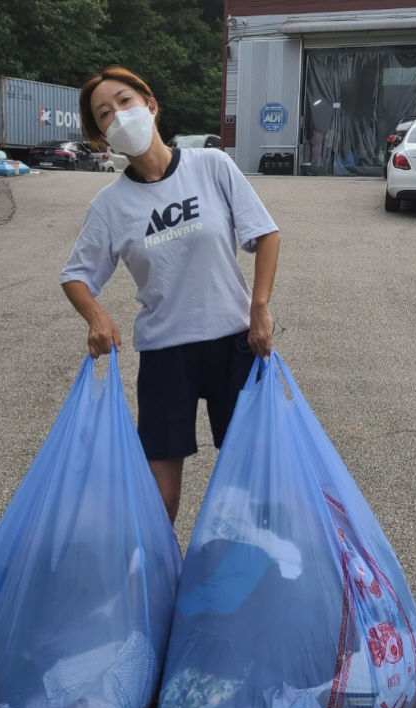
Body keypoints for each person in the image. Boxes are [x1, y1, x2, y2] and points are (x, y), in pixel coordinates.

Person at [60, 65, 280, 524]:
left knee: (251, 485)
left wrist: (259, 307)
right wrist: (96, 317)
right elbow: (76, 276)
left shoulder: (211, 166)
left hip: (234, 344)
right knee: (159, 500)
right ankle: (160, 586)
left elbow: (266, 234)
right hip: (165, 354)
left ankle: (245, 583)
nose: (118, 117)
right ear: (102, 136)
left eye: (124, 102)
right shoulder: (109, 206)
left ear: (151, 104)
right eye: (104, 115)